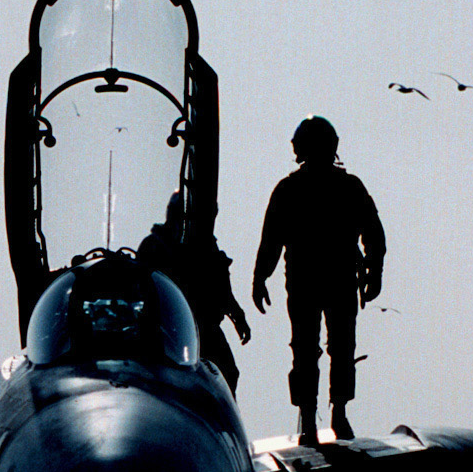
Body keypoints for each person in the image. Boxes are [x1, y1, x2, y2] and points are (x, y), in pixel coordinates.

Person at [251, 116, 386, 443]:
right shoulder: (343, 187)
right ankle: (325, 415)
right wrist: (373, 272)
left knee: (317, 348)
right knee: (330, 347)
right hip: (322, 279)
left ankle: (321, 416)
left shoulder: (294, 189)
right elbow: (374, 236)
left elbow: (373, 234)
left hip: (313, 279)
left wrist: (260, 278)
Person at [137, 191, 251, 392]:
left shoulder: (205, 246)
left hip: (203, 327)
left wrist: (237, 315)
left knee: (227, 374)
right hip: (167, 330)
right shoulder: (155, 246)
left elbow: (220, 284)